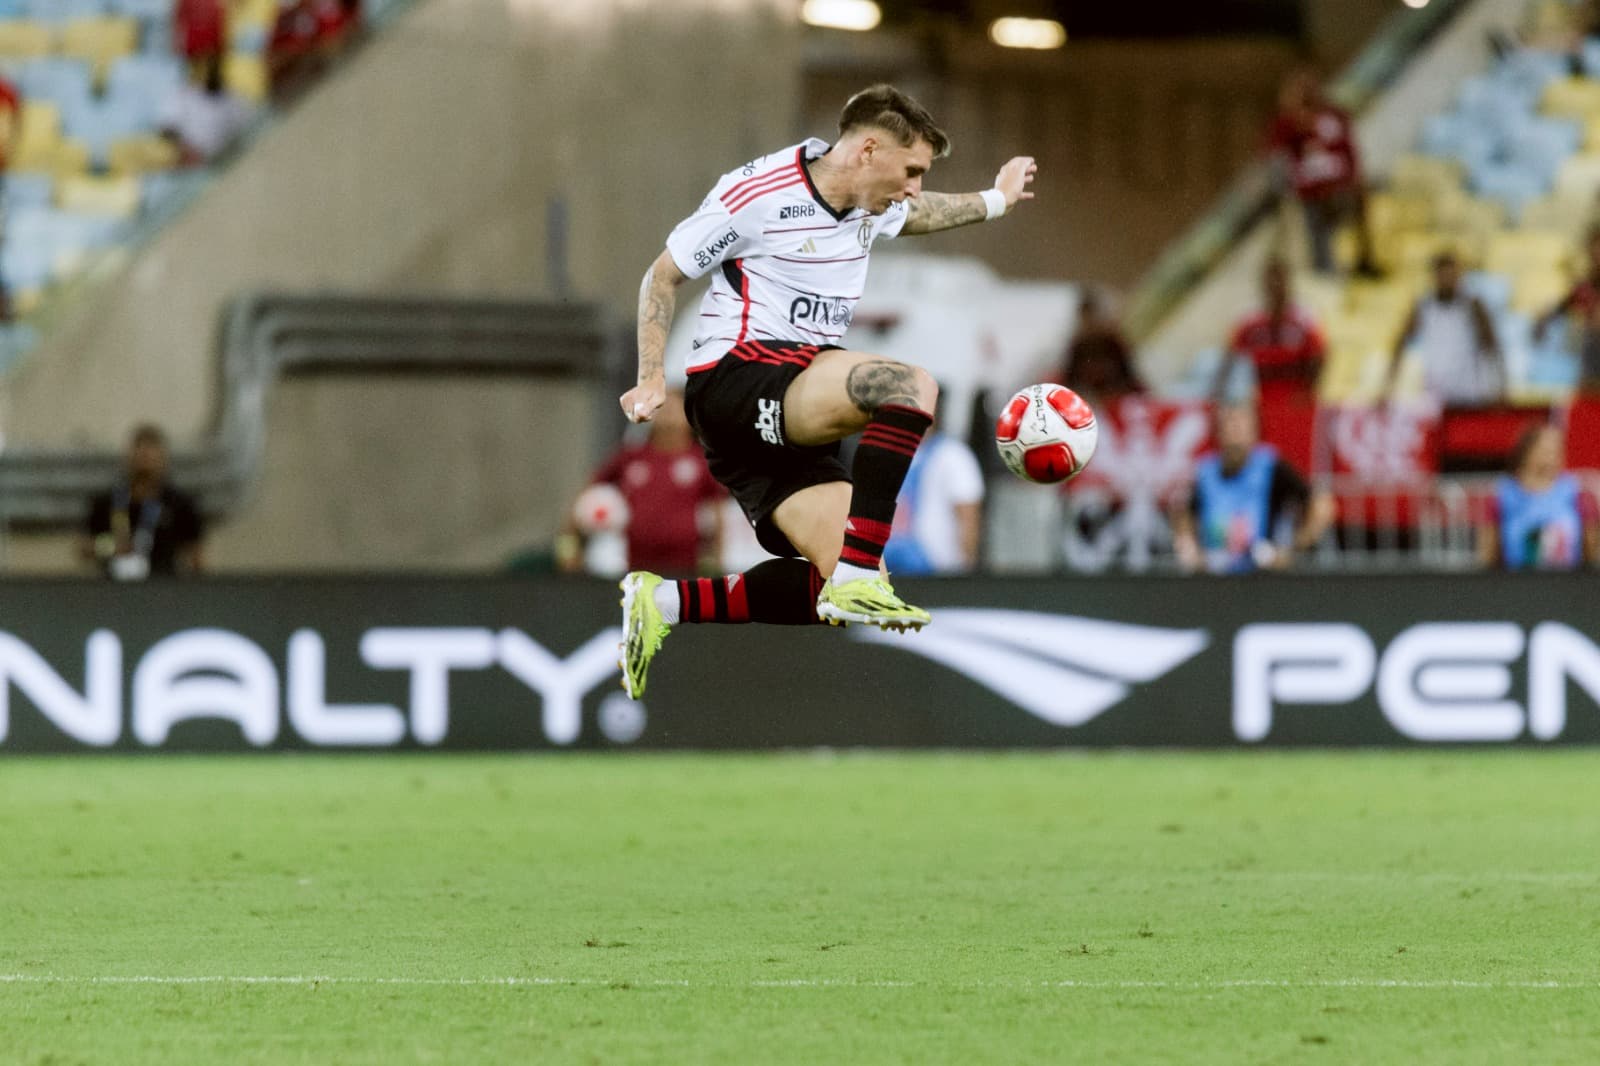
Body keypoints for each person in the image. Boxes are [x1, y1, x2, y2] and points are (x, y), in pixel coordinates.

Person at [615, 84, 1036, 697]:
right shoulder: (755, 195)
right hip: (736, 376)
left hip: (789, 401)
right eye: (912, 169)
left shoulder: (874, 203)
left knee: (832, 590)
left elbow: (916, 214)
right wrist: (652, 375)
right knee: (908, 384)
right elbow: (664, 274)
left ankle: (663, 602)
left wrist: (996, 201)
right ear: (868, 150)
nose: (915, 186)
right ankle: (862, 568)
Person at [557, 388, 725, 577]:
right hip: (637, 564)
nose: (668, 412)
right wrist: (568, 548)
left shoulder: (700, 459)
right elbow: (585, 494)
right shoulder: (630, 456)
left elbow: (717, 510)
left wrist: (716, 559)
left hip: (685, 565)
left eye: (674, 406)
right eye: (662, 406)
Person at [1171, 403, 1334, 574]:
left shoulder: (1272, 467)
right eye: (1229, 424)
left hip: (1262, 574)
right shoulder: (1205, 470)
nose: (1234, 431)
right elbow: (1183, 514)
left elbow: (1321, 505)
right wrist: (1188, 547)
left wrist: (1292, 549)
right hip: (1214, 576)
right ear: (1218, 431)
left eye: (1241, 424)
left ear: (1255, 431)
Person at [1267, 71, 1377, 276]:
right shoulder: (1287, 122)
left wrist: (1354, 178)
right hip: (1310, 191)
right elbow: (1276, 157)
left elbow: (1350, 151)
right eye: (1301, 88)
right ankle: (1324, 266)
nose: (1308, 92)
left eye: (1311, 87)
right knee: (1317, 208)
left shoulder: (1335, 115)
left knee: (1360, 197)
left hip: (1339, 186)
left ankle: (1365, 258)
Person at [81, 424, 205, 580]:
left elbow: (195, 554)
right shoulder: (108, 501)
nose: (145, 460)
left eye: (151, 456)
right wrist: (111, 546)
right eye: (140, 455)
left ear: (163, 460)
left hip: (164, 586)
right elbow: (85, 548)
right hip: (114, 588)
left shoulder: (179, 503)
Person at [1386, 251, 1505, 407]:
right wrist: (1388, 385)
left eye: (1453, 275)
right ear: (1435, 276)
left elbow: (1492, 346)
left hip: (1469, 394)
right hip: (1435, 394)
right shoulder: (1423, 307)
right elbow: (1401, 342)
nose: (1448, 280)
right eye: (1444, 275)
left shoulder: (1473, 306)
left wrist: (1500, 386)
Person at [1477, 423, 1600, 570]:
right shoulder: (1502, 494)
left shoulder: (1577, 492)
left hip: (1567, 582)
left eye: (1557, 449)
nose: (1554, 455)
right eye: (1546, 450)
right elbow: (1487, 556)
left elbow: (1591, 552)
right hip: (1517, 582)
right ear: (1527, 451)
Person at [881, 407, 986, 576]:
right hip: (891, 568)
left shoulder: (953, 455)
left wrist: (967, 571)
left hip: (940, 571)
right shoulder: (886, 456)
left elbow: (968, 517)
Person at [1534, 224, 1600, 392]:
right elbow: (1559, 308)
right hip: (1590, 361)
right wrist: (1544, 316)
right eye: (1595, 251)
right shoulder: (1585, 286)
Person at [158, 54, 256, 165]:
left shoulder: (234, 99)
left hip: (224, 163)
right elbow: (167, 130)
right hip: (189, 165)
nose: (209, 70)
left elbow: (247, 134)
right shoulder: (182, 96)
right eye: (204, 65)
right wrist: (183, 151)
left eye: (212, 65)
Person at [1061, 289, 1144, 405]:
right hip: (1092, 395)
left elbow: (1128, 371)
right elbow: (1070, 377)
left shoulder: (1111, 339)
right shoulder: (1078, 343)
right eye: (1087, 315)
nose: (1090, 321)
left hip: (1115, 391)